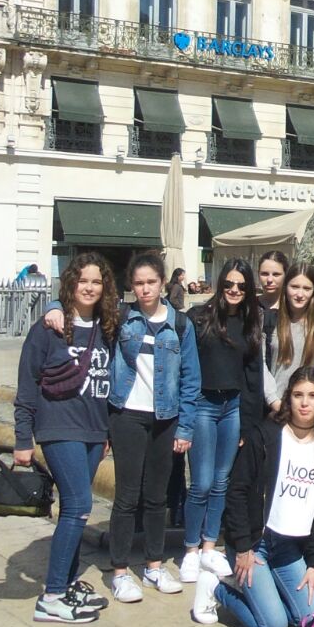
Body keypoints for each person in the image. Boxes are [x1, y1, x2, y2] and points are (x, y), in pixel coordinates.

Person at [196, 368, 314, 627]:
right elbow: (237, 492)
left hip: (291, 548)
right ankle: (216, 588)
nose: (304, 402)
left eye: (312, 396)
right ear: (288, 398)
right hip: (257, 544)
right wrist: (243, 547)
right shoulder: (265, 435)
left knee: (310, 621)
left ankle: (267, 596)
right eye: (298, 395)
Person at [13, 254, 118, 624]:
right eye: (82, 281)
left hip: (93, 431)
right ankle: (52, 596)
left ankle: (69, 581)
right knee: (78, 506)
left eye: (97, 281)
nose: (89, 288)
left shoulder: (106, 327)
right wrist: (22, 438)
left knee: (77, 508)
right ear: (70, 284)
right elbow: (28, 383)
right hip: (59, 428)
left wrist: (105, 433)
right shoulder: (49, 328)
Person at [106, 253, 201, 603]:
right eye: (139, 283)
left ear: (162, 283)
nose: (145, 289)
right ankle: (119, 570)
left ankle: (154, 565)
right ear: (131, 286)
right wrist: (55, 304)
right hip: (127, 414)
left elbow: (191, 377)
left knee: (158, 496)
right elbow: (76, 305)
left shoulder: (181, 324)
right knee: (127, 496)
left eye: (151, 282)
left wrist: (185, 427)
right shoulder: (121, 319)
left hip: (166, 418)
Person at [180, 259, 266, 587]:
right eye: (229, 284)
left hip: (233, 407)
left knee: (221, 481)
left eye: (241, 286)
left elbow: (252, 375)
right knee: (200, 482)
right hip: (204, 404)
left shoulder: (249, 323)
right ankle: (190, 548)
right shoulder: (198, 318)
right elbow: (185, 367)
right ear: (220, 284)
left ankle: (209, 546)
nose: (234, 290)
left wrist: (248, 423)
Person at [264, 262, 314, 409]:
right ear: (285, 288)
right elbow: (262, 364)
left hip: (309, 407)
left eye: (306, 288)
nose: (300, 294)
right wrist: (273, 401)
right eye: (295, 287)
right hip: (277, 404)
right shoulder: (270, 320)